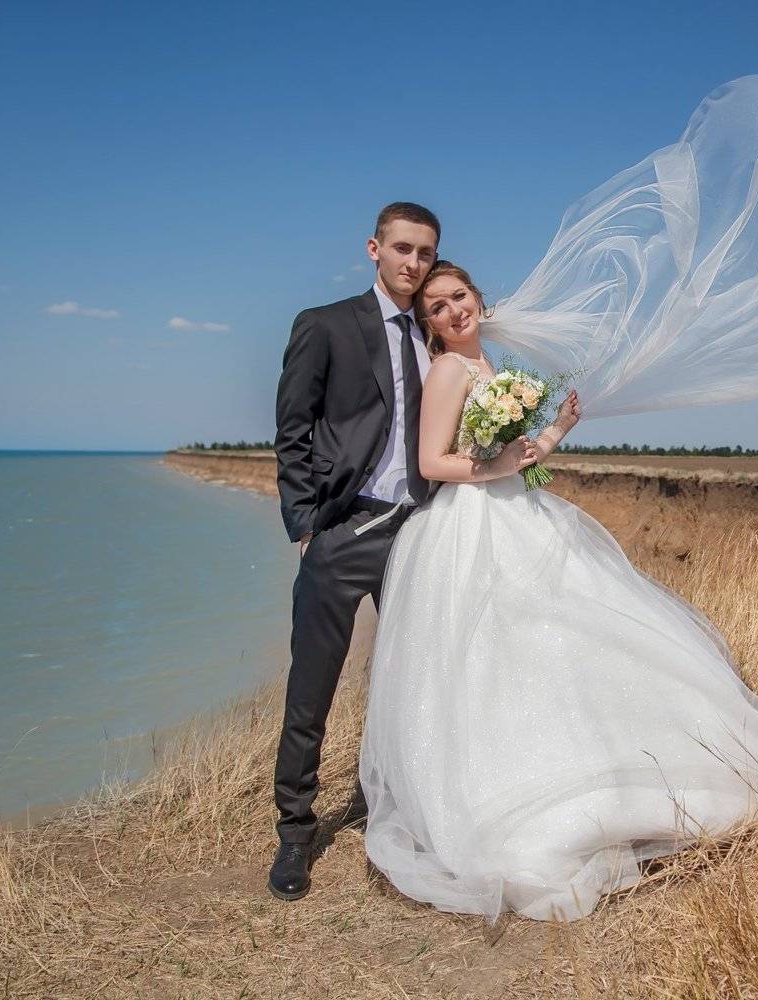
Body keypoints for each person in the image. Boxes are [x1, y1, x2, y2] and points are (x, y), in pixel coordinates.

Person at [358, 261, 758, 921]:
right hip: (470, 530)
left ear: (479, 299)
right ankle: (513, 798)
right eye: (436, 307)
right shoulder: (447, 371)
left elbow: (514, 460)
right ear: (429, 323)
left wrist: (553, 432)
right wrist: (497, 462)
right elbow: (433, 463)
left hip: (517, 512)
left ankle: (619, 771)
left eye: (459, 297)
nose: (452, 310)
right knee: (499, 657)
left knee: (564, 639)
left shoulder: (489, 366)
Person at [268, 202, 440, 901]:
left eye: (425, 253)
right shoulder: (326, 324)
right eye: (402, 248)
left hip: (420, 533)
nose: (413, 263)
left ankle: (407, 809)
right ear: (374, 248)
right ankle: (294, 832)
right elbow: (292, 429)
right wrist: (307, 526)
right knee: (312, 685)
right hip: (344, 530)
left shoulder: (436, 334)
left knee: (416, 682)